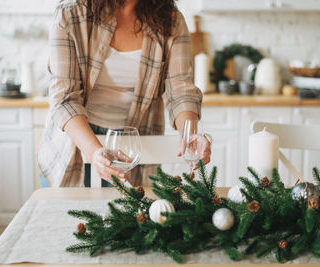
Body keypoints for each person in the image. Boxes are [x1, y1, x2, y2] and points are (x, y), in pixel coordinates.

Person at [38, 0, 211, 187]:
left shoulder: (171, 21)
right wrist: (95, 152)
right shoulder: (70, 14)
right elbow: (65, 98)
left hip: (133, 149)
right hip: (74, 143)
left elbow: (181, 92)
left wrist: (190, 134)